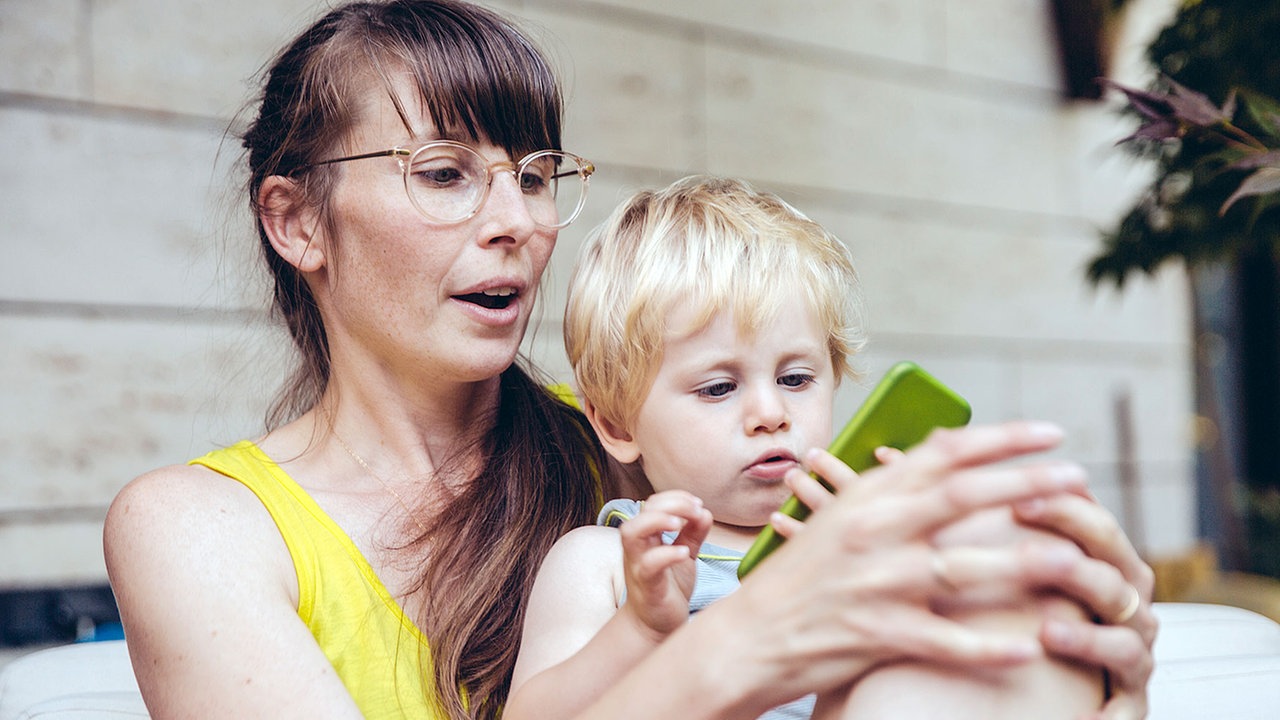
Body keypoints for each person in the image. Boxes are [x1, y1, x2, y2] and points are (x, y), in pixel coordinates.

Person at [102, 2, 1156, 719]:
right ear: (295, 221)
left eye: (535, 174)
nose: (518, 220)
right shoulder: (195, 529)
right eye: (443, 172)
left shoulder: (676, 438)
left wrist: (1097, 656)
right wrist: (745, 645)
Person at [504, 175, 1112, 719]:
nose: (770, 413)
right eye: (718, 387)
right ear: (615, 425)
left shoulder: (858, 532)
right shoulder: (607, 561)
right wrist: (639, 629)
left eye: (796, 379)